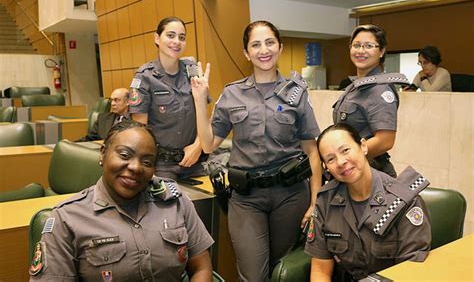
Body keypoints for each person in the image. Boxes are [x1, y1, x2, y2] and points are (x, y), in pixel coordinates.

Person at [191, 20, 322, 281]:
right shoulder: (232, 94)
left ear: (280, 47)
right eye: (256, 44)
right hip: (246, 198)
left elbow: (312, 151)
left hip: (291, 195)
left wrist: (315, 204)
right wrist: (199, 100)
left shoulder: (297, 94)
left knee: (282, 271)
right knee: (253, 274)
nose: (264, 50)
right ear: (246, 53)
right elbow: (208, 144)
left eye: (270, 42)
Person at [29, 120, 214, 281]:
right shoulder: (66, 219)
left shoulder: (175, 202)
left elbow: (201, 267)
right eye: (125, 155)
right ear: (103, 154)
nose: (135, 167)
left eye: (147, 162)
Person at [305, 123, 431, 281]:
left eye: (345, 150)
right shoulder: (325, 201)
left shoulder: (402, 201)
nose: (341, 162)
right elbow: (320, 271)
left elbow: (410, 271)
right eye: (331, 159)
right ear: (326, 168)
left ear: (363, 146)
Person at [129, 16, 207, 180]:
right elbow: (139, 131)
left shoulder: (192, 71)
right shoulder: (144, 78)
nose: (177, 41)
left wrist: (199, 145)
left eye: (182, 37)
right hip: (161, 166)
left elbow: (205, 116)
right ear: (157, 38)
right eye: (170, 35)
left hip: (196, 160)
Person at [332, 24, 409, 177]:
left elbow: (385, 141)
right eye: (356, 45)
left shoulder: (380, 89)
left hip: (372, 174)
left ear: (381, 51)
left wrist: (344, 159)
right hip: (352, 172)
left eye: (369, 46)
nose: (361, 51)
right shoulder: (355, 86)